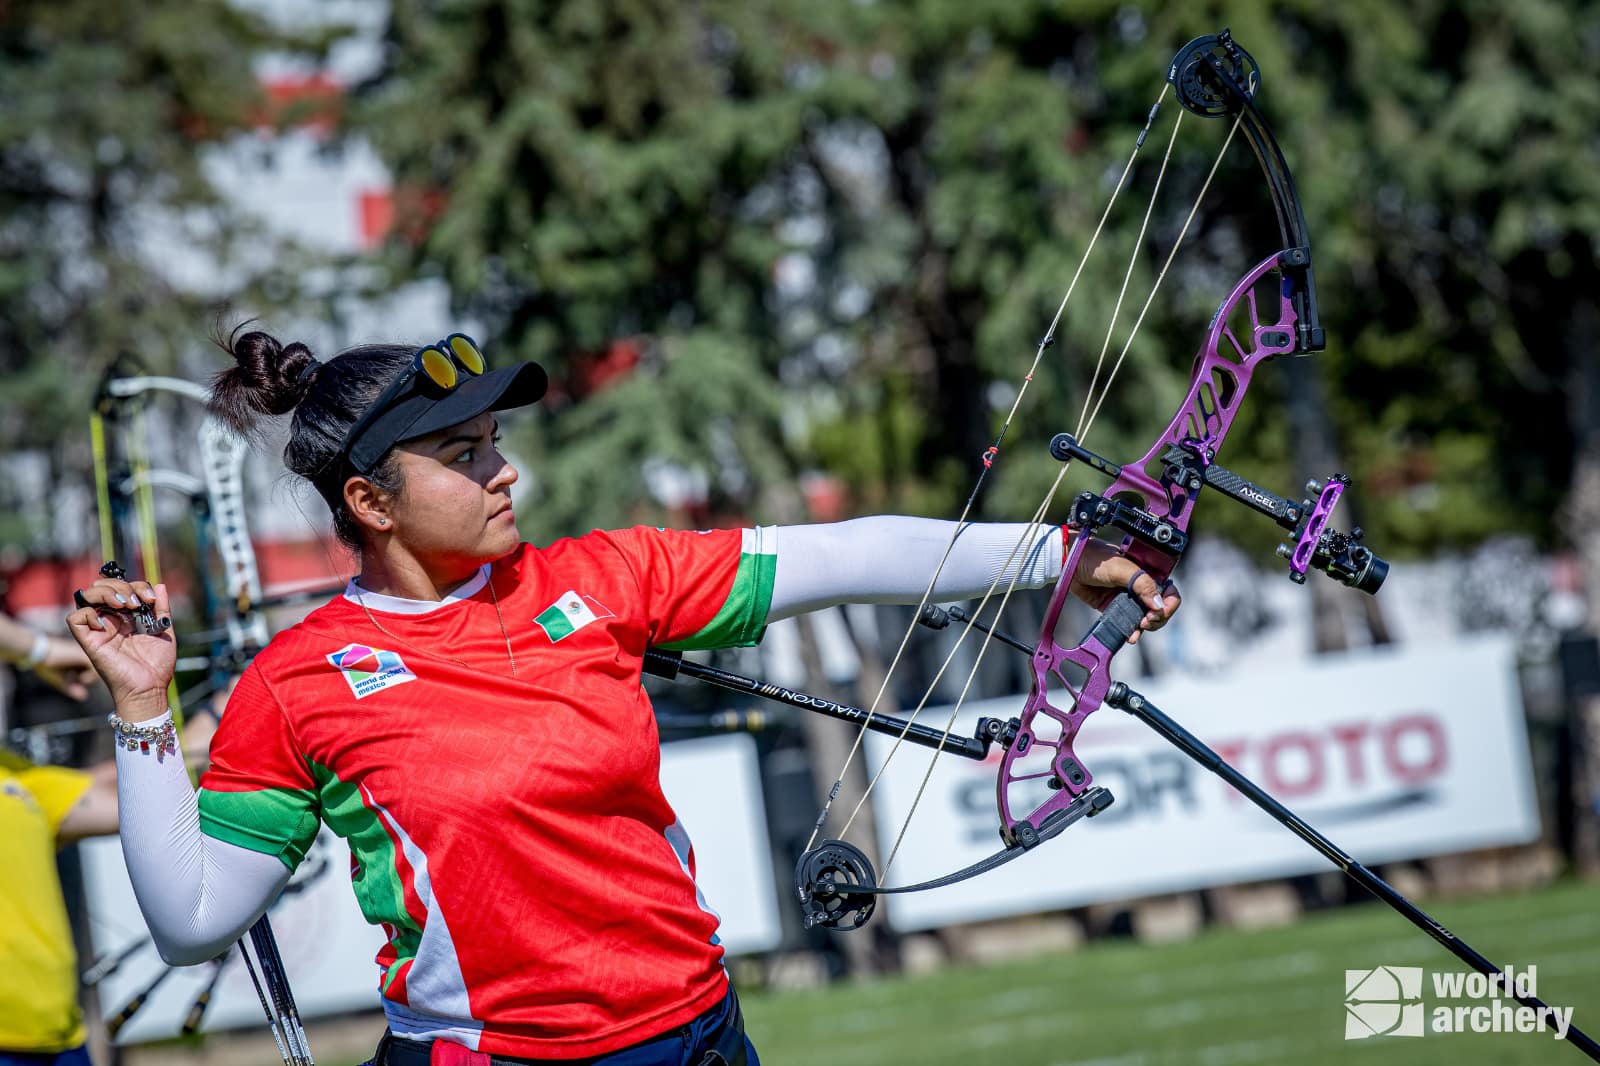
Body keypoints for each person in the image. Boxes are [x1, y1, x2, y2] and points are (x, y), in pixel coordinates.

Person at [68, 330, 1179, 1066]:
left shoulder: (596, 580)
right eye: (464, 454)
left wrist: (1059, 551)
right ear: (371, 499)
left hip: (700, 1031)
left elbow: (842, 553)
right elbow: (190, 920)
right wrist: (143, 709)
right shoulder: (300, 682)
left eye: (497, 443)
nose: (507, 473)